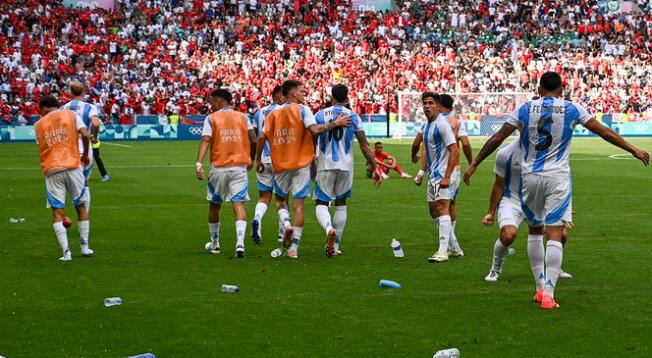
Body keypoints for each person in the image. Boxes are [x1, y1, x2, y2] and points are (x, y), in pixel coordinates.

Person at [464, 71, 649, 309]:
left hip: (530, 177)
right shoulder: (572, 108)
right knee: (555, 234)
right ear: (562, 90)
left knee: (534, 232)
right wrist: (632, 149)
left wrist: (475, 163)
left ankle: (539, 289)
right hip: (557, 177)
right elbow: (604, 131)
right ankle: (549, 294)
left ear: (539, 90)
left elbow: (497, 138)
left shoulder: (524, 109)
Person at [255, 80, 350, 259]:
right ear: (291, 93)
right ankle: (294, 249)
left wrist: (258, 159)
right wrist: (335, 124)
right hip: (301, 165)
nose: (304, 94)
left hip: (280, 164)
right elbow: (315, 130)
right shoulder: (303, 110)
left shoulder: (272, 115)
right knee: (299, 207)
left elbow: (261, 137)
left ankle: (286, 224)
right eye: (301, 91)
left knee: (281, 203)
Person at [482, 140, 573, 282]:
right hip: (512, 201)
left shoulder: (549, 152)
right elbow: (498, 184)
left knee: (561, 235)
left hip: (537, 202)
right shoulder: (505, 153)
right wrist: (490, 212)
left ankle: (555, 268)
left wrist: (561, 208)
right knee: (508, 235)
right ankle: (495, 270)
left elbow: (557, 181)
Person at [313, 84, 381, 257]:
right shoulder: (353, 116)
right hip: (346, 166)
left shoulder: (320, 115)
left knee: (321, 203)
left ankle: (329, 228)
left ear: (331, 97)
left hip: (325, 165)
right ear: (347, 97)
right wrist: (374, 166)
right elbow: (365, 145)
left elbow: (311, 136)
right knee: (341, 204)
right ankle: (335, 247)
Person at [196, 88, 256, 258]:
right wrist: (251, 158)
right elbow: (254, 139)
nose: (210, 104)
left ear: (217, 100)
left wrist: (199, 163)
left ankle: (215, 244)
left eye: (211, 100)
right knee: (239, 205)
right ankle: (240, 244)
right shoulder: (243, 117)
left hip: (219, 167)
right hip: (239, 167)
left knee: (215, 205)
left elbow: (206, 140)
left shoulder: (211, 118)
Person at [34, 95, 93, 261]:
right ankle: (85, 247)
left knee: (58, 212)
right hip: (73, 165)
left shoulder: (38, 125)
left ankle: (66, 253)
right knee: (80, 206)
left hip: (51, 169)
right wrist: (86, 155)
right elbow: (85, 134)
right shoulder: (71, 114)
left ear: (44, 108)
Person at [415, 94, 472, 258]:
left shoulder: (442, 124)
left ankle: (442, 251)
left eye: (430, 103)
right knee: (433, 211)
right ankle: (454, 247)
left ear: (438, 106)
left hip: (443, 174)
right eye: (424, 103)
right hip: (433, 174)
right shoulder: (427, 126)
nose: (426, 106)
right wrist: (422, 171)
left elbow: (454, 149)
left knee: (442, 207)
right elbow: (426, 151)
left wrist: (447, 176)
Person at [251, 85, 285, 244]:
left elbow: (255, 139)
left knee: (264, 197)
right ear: (278, 96)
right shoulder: (285, 111)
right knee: (282, 199)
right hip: (281, 159)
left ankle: (257, 218)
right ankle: (281, 233)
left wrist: (254, 159)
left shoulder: (259, 113)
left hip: (263, 159)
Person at [61, 82, 100, 209]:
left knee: (67, 180)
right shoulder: (90, 107)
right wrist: (93, 137)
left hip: (68, 147)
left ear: (70, 93)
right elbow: (95, 124)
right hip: (84, 147)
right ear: (83, 92)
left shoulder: (64, 108)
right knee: (84, 181)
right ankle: (84, 215)